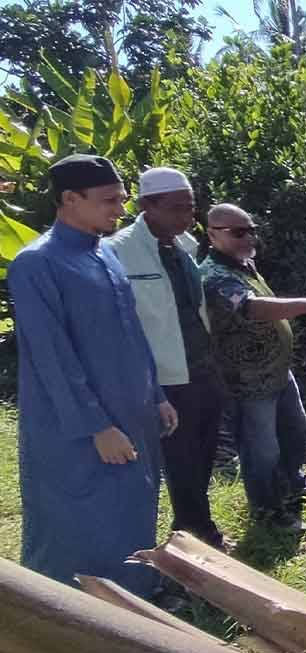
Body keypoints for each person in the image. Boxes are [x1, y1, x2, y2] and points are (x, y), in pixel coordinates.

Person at [8, 154, 177, 597]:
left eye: (120, 200)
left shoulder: (104, 253)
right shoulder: (37, 263)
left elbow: (132, 334)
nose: (119, 210)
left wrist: (156, 395)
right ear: (69, 199)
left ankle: (135, 593)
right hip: (75, 426)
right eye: (108, 201)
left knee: (133, 504)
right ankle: (65, 610)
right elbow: (51, 357)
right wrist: (96, 425)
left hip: (132, 410)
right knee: (75, 513)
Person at [200, 204, 306, 530]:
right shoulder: (214, 275)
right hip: (247, 380)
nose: (249, 237)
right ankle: (268, 512)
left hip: (276, 371)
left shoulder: (243, 265)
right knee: (261, 450)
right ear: (212, 234)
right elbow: (251, 308)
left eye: (251, 230)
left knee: (294, 430)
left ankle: (293, 482)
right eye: (239, 232)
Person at [108, 167, 229, 549]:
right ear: (147, 206)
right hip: (165, 376)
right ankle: (197, 535)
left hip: (202, 366)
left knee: (204, 451)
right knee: (181, 459)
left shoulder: (183, 246)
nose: (186, 217)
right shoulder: (118, 251)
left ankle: (193, 525)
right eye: (177, 208)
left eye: (190, 207)